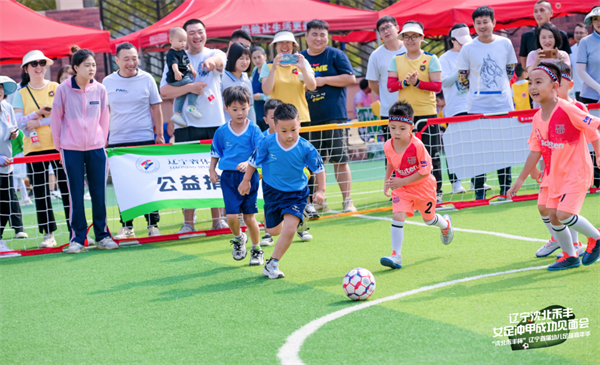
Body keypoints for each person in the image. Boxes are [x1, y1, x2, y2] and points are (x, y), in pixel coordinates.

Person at [507, 63, 600, 270]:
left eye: (538, 82)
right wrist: (521, 179)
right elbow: (535, 149)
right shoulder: (537, 117)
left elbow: (595, 124)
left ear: (554, 86)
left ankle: (596, 237)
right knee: (551, 215)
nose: (532, 87)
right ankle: (570, 255)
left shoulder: (568, 109)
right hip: (555, 175)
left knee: (564, 214)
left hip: (576, 173)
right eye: (530, 82)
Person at [240, 103, 326, 279]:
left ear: (299, 125)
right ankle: (296, 220)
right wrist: (246, 181)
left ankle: (272, 264)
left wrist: (321, 190)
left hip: (296, 193)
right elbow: (253, 162)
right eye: (284, 131)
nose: (289, 135)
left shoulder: (306, 147)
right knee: (273, 231)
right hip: (272, 191)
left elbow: (319, 169)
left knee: (289, 230)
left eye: (293, 130)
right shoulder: (267, 143)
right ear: (274, 126)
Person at [159, 18, 228, 232]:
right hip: (186, 126)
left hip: (215, 124)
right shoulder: (175, 57)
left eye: (200, 32)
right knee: (187, 173)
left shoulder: (214, 53)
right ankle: (188, 222)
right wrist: (190, 87)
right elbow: (165, 91)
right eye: (191, 33)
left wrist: (211, 63)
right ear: (182, 36)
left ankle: (218, 219)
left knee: (216, 171)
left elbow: (220, 60)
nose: (197, 36)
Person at [50, 49, 118, 254]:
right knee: (75, 194)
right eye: (87, 65)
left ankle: (103, 235)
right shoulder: (63, 89)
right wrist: (60, 147)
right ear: (76, 67)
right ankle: (78, 238)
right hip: (71, 149)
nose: (92, 69)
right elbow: (56, 120)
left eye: (94, 65)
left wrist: (102, 140)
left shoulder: (100, 89)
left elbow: (104, 118)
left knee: (99, 193)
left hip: (97, 148)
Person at [533, 62, 597, 258]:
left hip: (573, 169)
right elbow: (542, 143)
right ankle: (562, 243)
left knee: (564, 211)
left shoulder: (574, 107)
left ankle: (575, 244)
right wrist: (538, 166)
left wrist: (599, 154)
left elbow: (593, 132)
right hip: (554, 170)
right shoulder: (543, 112)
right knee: (546, 208)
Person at [380, 101, 454, 269]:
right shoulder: (387, 145)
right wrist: (388, 181)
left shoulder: (417, 146)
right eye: (393, 127)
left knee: (429, 220)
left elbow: (426, 171)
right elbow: (391, 162)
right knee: (397, 216)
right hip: (402, 188)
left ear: (411, 127)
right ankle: (396, 255)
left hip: (423, 187)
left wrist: (402, 180)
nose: (396, 132)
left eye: (402, 128)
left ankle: (446, 225)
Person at [103, 42, 164, 239]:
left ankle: (153, 224)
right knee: (123, 185)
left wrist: (159, 134)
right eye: (126, 58)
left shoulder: (147, 79)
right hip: (118, 141)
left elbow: (156, 107)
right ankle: (126, 225)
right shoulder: (108, 82)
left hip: (144, 138)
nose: (131, 62)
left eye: (134, 57)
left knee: (148, 181)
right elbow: (105, 112)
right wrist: (104, 138)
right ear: (117, 60)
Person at [457, 6, 518, 200]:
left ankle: (505, 191)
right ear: (473, 25)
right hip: (477, 106)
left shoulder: (505, 43)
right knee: (479, 151)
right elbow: (462, 77)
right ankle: (480, 194)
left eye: (485, 21)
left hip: (503, 105)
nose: (482, 26)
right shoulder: (467, 48)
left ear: (493, 22)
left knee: (503, 150)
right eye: (478, 22)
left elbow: (510, 70)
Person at [13, 50, 71, 248]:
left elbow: (66, 114)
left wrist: (39, 122)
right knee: (41, 193)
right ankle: (48, 234)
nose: (39, 67)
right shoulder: (20, 94)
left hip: (60, 146)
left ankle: (76, 230)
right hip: (33, 150)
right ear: (26, 69)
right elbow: (18, 122)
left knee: (67, 189)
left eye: (41, 63)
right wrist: (36, 114)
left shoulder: (57, 87)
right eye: (34, 64)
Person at [300, 19, 357, 213]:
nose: (318, 38)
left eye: (322, 34)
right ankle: (317, 201)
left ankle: (347, 200)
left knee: (340, 159)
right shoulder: (299, 58)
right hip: (307, 118)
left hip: (334, 116)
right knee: (311, 163)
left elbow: (350, 78)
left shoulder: (336, 54)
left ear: (328, 36)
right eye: (314, 34)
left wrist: (322, 80)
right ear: (306, 36)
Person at [387, 21, 444, 202]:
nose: (410, 40)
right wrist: (405, 82)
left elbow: (437, 86)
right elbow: (390, 86)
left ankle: (437, 192)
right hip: (405, 117)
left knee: (432, 153)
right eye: (406, 37)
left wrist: (417, 83)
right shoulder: (396, 60)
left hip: (427, 113)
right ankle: (403, 192)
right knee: (403, 156)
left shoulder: (431, 58)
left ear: (421, 38)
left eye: (414, 36)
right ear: (402, 39)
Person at [210, 87, 263, 265]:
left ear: (249, 106)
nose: (239, 113)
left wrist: (249, 164)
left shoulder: (254, 129)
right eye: (234, 109)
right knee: (231, 217)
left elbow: (260, 152)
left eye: (243, 108)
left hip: (250, 176)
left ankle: (257, 249)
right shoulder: (222, 131)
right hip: (228, 178)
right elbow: (215, 152)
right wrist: (212, 170)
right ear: (226, 109)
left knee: (249, 217)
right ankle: (239, 238)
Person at [439, 23, 473, 194]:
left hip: (473, 104)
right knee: (455, 146)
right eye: (460, 42)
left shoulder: (472, 53)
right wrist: (461, 71)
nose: (464, 45)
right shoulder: (444, 58)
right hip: (455, 106)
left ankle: (476, 181)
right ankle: (455, 182)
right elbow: (443, 82)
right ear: (452, 40)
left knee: (475, 144)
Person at [366, 15, 406, 134]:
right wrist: (386, 94)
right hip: (389, 111)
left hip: (414, 108)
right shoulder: (376, 55)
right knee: (393, 150)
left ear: (397, 28)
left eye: (388, 27)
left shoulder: (409, 49)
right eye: (382, 29)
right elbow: (372, 83)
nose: (386, 31)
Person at [0, 76, 27, 252]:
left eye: (1, 88)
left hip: (7, 163)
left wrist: (15, 133)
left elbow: (13, 127)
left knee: (5, 201)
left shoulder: (7, 107)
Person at [519, 0, 571, 70]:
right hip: (535, 78)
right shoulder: (526, 36)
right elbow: (524, 64)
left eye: (542, 10)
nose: (538, 14)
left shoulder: (562, 35)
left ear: (551, 13)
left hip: (558, 78)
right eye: (536, 11)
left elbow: (567, 64)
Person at [166, 27, 201, 127]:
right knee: (193, 87)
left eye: (184, 41)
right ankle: (191, 106)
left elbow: (187, 62)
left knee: (181, 94)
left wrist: (192, 70)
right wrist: (176, 72)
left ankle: (177, 114)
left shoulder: (182, 51)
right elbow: (174, 64)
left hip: (182, 76)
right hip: (177, 77)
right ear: (171, 41)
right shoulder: (172, 53)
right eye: (180, 41)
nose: (183, 43)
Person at [222, 42, 256, 123]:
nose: (245, 62)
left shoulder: (247, 81)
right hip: (226, 127)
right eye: (241, 58)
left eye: (247, 58)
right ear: (233, 58)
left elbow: (250, 107)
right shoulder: (221, 79)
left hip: (244, 129)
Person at [577, 6, 600, 105]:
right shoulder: (585, 42)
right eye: (595, 19)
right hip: (589, 97)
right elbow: (581, 71)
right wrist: (599, 88)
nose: (598, 22)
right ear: (591, 21)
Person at [251, 46, 269, 130]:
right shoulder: (254, 71)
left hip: (269, 113)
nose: (257, 60)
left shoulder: (270, 70)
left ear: (265, 56)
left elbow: (277, 94)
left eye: (259, 57)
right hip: (257, 114)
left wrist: (261, 97)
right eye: (254, 58)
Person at [571, 23, 588, 101]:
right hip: (577, 90)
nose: (578, 35)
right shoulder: (570, 50)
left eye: (581, 33)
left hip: (591, 89)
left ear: (586, 34)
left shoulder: (592, 49)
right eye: (576, 33)